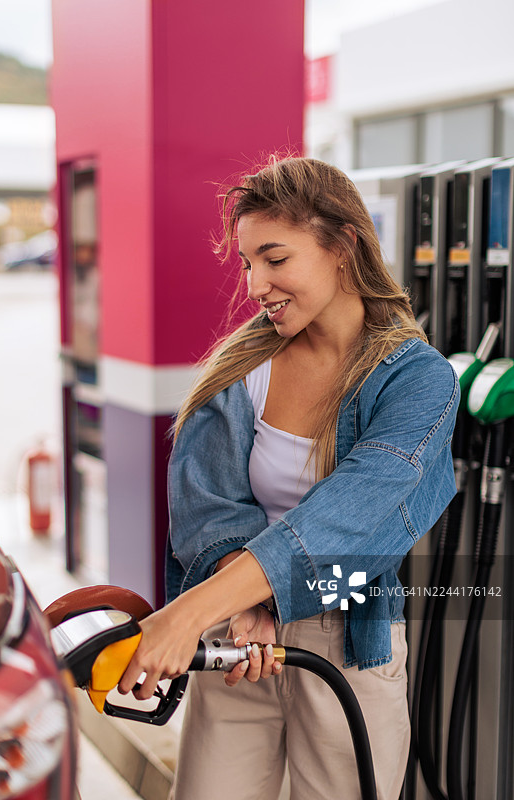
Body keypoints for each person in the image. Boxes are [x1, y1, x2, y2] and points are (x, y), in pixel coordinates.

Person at [118, 156, 460, 800]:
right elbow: (208, 503)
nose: (255, 285)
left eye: (275, 259)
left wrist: (186, 614)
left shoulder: (418, 382)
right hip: (236, 634)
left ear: (343, 246)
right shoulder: (242, 365)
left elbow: (351, 519)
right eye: (247, 263)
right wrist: (244, 603)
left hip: (347, 640)